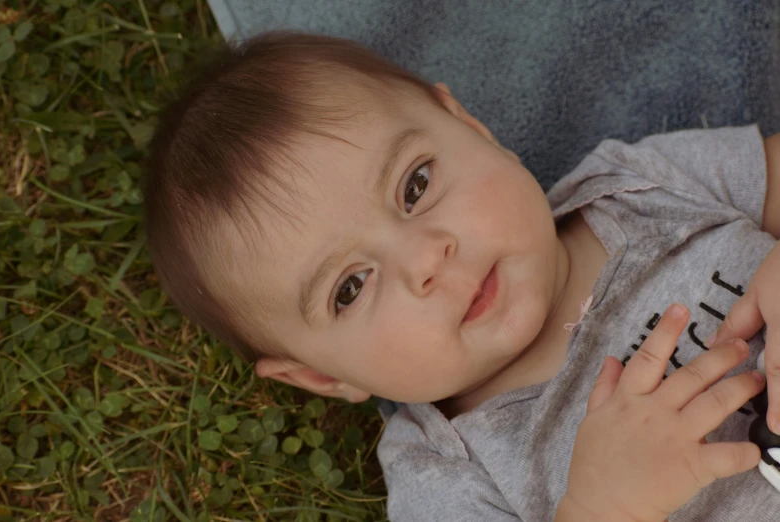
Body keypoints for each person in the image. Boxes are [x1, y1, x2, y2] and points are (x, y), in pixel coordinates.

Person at [142, 31, 780, 521]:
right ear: (321, 377)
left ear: (471, 127)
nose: (425, 259)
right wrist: (602, 506)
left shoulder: (639, 186)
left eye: (415, 185)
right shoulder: (442, 474)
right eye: (350, 287)